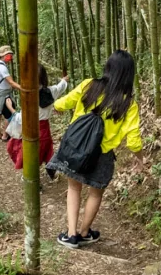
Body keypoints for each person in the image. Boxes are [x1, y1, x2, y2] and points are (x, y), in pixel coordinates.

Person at [47, 50, 142, 248]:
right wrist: (139, 158)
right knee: (95, 194)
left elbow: (61, 104)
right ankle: (84, 232)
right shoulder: (128, 104)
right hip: (102, 155)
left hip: (76, 149)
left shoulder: (89, 85)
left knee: (74, 188)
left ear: (107, 67)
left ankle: (71, 235)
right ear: (128, 74)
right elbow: (133, 140)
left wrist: (57, 108)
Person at [7, 65, 69, 171]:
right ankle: (49, 170)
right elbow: (61, 87)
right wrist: (64, 80)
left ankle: (31, 179)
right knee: (42, 151)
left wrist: (11, 109)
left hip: (30, 130)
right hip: (45, 129)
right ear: (44, 77)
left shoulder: (28, 96)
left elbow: (21, 119)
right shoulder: (52, 91)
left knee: (28, 153)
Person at [0, 46, 21, 141]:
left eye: (11, 55)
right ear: (3, 56)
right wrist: (23, 88)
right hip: (3, 95)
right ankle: (4, 136)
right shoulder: (2, 68)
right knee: (9, 115)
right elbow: (11, 82)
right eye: (8, 55)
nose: (10, 57)